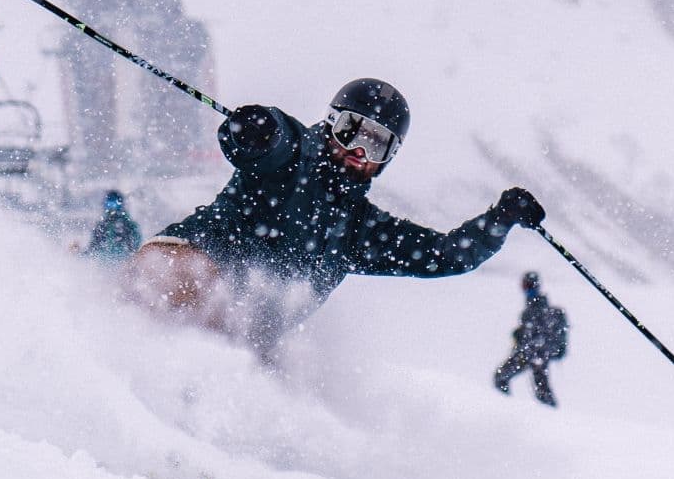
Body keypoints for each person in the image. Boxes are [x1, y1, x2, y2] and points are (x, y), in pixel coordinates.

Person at [123, 78, 544, 361]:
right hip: (188, 264)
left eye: (376, 145)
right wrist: (257, 130)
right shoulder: (293, 156)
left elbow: (445, 254)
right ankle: (120, 354)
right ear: (330, 124)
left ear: (388, 158)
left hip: (245, 338)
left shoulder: (359, 230)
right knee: (203, 300)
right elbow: (270, 142)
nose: (358, 151)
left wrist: (499, 221)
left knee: (265, 365)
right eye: (351, 131)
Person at [492, 271, 568, 408]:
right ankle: (509, 408)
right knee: (542, 390)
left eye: (526, 285)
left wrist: (523, 341)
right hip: (536, 354)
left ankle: (505, 408)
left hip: (532, 354)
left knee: (502, 378)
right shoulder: (535, 308)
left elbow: (535, 335)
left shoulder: (534, 309)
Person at [83, 189, 142, 263]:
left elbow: (137, 248)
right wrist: (78, 253)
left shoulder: (129, 225)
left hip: (125, 265)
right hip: (105, 266)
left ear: (121, 205)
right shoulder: (101, 226)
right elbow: (92, 250)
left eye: (115, 204)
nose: (112, 208)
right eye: (109, 204)